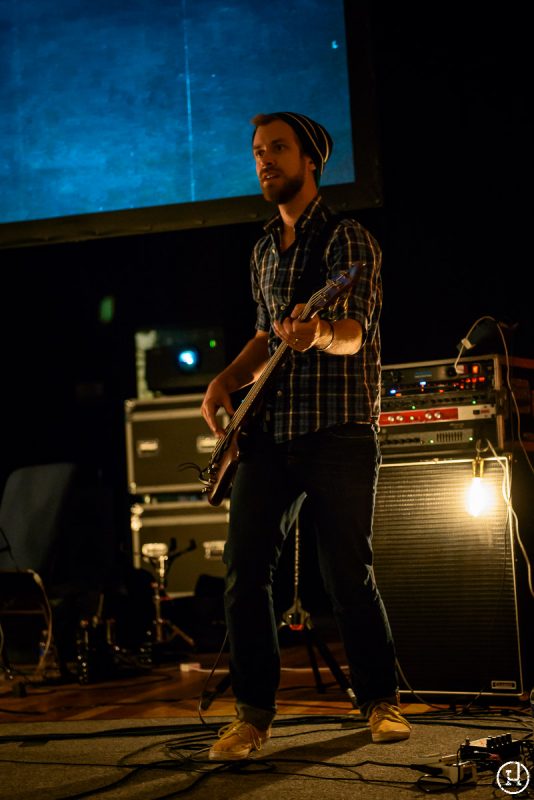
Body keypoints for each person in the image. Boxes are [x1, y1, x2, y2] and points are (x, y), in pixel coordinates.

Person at [200, 111, 411, 760]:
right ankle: (253, 715)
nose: (265, 160)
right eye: (259, 151)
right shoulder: (264, 249)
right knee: (243, 572)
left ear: (311, 159)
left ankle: (378, 701)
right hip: (269, 434)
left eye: (279, 149)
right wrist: (225, 383)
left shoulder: (349, 243)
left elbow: (353, 331)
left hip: (338, 433)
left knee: (347, 572)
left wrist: (318, 332)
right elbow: (265, 333)